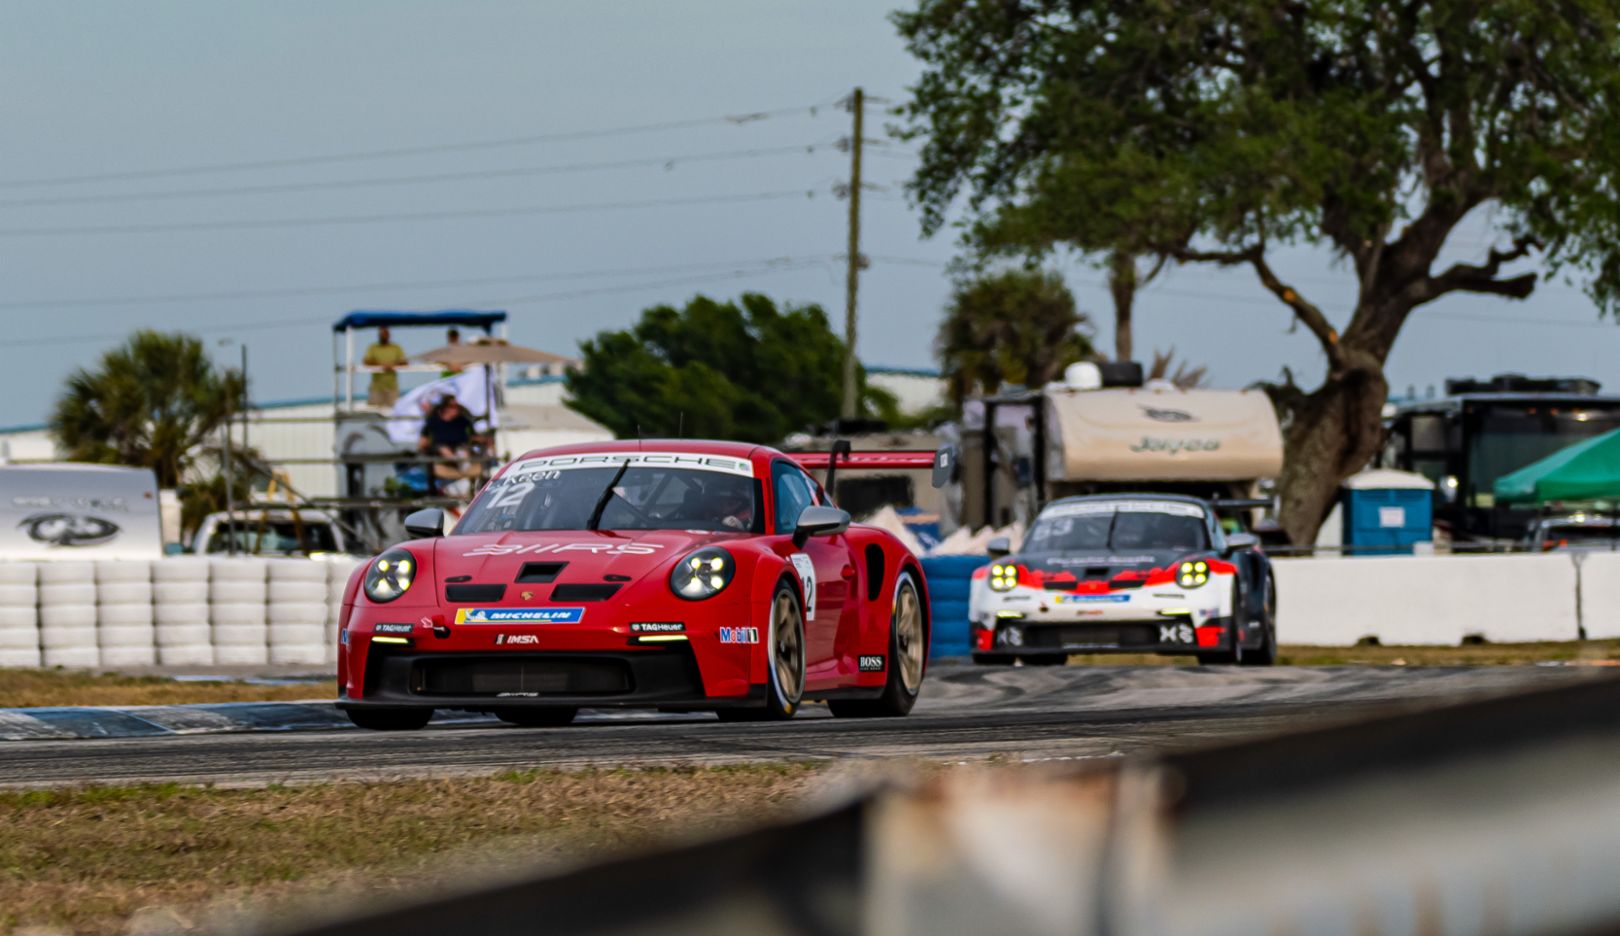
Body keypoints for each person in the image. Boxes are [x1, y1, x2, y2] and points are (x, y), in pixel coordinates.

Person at [418, 395, 485, 494]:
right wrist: (423, 448)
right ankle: (455, 460)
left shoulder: (462, 420)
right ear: (445, 408)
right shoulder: (434, 420)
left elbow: (473, 435)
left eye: (456, 406)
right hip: (440, 452)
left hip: (460, 447)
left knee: (462, 449)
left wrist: (482, 440)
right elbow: (424, 440)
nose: (455, 409)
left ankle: (462, 464)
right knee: (443, 448)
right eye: (452, 406)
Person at [363, 326, 407, 407]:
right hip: (376, 388)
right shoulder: (373, 347)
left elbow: (404, 362)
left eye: (385, 334)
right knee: (374, 412)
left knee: (394, 412)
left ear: (389, 335)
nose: (383, 336)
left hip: (392, 387)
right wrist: (381, 365)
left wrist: (392, 365)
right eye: (381, 334)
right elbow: (366, 361)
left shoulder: (396, 347)